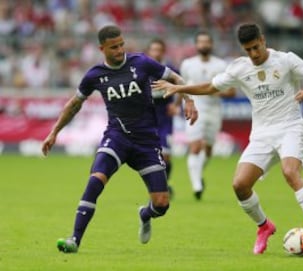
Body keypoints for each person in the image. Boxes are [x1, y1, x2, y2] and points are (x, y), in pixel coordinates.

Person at [152, 23, 303, 254]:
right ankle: (264, 226)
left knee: (290, 172)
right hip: (261, 134)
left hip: (290, 127)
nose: (254, 54)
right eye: (248, 50)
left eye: (256, 47)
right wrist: (180, 88)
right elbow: (210, 86)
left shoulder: (286, 60)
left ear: (263, 40)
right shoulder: (239, 68)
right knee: (240, 185)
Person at [41, 25, 198, 253]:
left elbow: (175, 77)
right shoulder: (95, 75)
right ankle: (74, 239)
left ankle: (145, 214)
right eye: (114, 47)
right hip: (116, 139)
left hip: (146, 143)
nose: (120, 50)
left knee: (162, 204)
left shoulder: (142, 63)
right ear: (101, 48)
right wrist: (54, 132)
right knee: (95, 181)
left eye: (122, 44)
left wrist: (189, 100)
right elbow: (74, 104)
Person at [179, 30, 235, 200]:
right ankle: (197, 186)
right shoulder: (187, 64)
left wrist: (213, 91)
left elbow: (231, 91)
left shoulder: (221, 65)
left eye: (206, 42)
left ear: (211, 44)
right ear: (196, 45)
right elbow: (181, 87)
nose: (203, 45)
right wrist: (177, 105)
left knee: (208, 149)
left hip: (214, 110)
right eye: (200, 42)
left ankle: (198, 176)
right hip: (194, 108)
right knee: (195, 146)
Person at [146, 38, 180, 198]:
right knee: (152, 156)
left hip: (165, 120)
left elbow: (181, 86)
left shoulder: (170, 70)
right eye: (153, 50)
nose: (156, 53)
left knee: (166, 155)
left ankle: (164, 183)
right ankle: (158, 186)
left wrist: (177, 104)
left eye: (159, 50)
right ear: (149, 52)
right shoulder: (142, 70)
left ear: (163, 52)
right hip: (148, 120)